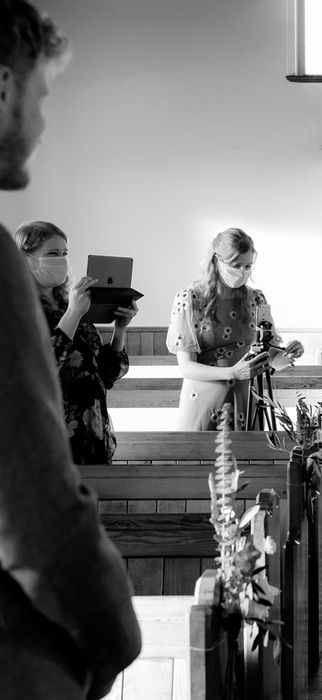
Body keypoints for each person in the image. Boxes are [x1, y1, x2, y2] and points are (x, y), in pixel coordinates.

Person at [0, 2, 141, 698]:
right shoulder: (3, 273)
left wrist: (110, 329)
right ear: (2, 87)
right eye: (40, 92)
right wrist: (114, 633)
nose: (44, 119)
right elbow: (31, 502)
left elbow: (101, 374)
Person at [14, 221, 138, 464]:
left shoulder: (71, 303)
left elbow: (107, 376)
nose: (61, 260)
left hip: (92, 436)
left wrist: (120, 330)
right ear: (25, 259)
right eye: (52, 254)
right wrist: (72, 313)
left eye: (64, 254)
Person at [167, 227, 304, 430]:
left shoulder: (256, 299)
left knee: (248, 459)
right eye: (236, 265)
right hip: (204, 400)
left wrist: (289, 354)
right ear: (217, 261)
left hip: (246, 401)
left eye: (248, 266)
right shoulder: (191, 299)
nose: (242, 272)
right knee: (202, 459)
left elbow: (269, 357)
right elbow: (186, 367)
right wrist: (232, 372)